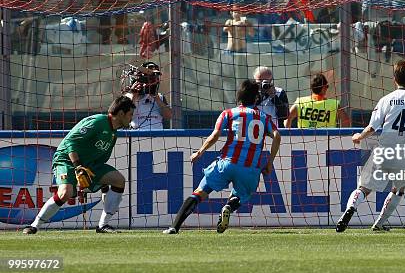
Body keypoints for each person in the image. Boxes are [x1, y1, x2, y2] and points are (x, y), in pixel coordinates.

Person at [163, 80, 281, 234]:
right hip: (249, 168)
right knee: (241, 195)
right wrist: (270, 163)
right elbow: (277, 136)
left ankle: (174, 227)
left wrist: (199, 152)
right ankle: (229, 207)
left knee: (200, 191)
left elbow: (215, 135)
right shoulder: (264, 117)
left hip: (227, 162)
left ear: (239, 97)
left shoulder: (229, 113)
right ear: (256, 98)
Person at [336, 60, 405, 232]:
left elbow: (372, 127)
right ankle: (379, 223)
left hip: (384, 151)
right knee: (398, 190)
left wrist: (359, 137)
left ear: (394, 79)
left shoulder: (386, 99)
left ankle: (350, 209)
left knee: (363, 188)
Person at [22, 96, 135, 234]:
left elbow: (100, 160)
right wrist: (78, 167)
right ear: (121, 114)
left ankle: (103, 226)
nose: (131, 118)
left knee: (118, 180)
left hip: (88, 165)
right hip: (66, 160)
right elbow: (71, 143)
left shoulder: (113, 133)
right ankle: (34, 225)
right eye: (130, 114)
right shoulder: (98, 122)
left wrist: (102, 184)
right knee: (65, 193)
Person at [284, 73, 350, 128]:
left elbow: (287, 119)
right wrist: (342, 137)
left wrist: (290, 137)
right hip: (328, 140)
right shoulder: (334, 104)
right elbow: (346, 121)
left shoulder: (300, 102)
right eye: (327, 86)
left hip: (304, 140)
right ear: (324, 88)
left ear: (311, 87)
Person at [124, 61, 172, 130]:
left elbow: (169, 116)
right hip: (137, 135)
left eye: (153, 78)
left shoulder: (160, 97)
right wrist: (134, 95)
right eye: (149, 78)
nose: (151, 81)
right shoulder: (129, 96)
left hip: (158, 135)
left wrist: (156, 98)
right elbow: (125, 118)